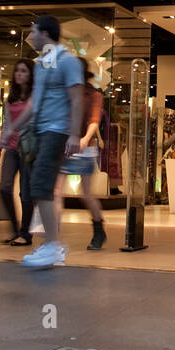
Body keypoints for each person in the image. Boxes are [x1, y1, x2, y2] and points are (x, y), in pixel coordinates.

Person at [12, 16, 83, 269]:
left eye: (33, 31)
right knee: (40, 188)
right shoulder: (40, 64)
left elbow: (76, 99)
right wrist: (14, 127)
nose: (30, 36)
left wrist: (74, 135)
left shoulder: (68, 62)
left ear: (45, 33)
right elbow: (34, 102)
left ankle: (53, 245)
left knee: (40, 186)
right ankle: (53, 244)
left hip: (57, 131)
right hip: (41, 132)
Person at [63, 58, 107, 251]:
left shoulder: (93, 94)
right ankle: (50, 238)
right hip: (63, 145)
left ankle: (99, 229)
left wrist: (85, 138)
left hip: (84, 147)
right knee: (55, 191)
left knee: (86, 193)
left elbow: (94, 119)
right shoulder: (65, 91)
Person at [0, 58, 35, 245]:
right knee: (4, 187)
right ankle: (14, 228)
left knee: (25, 192)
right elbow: (6, 124)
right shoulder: (10, 98)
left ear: (30, 75)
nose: (19, 74)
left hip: (28, 149)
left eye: (24, 71)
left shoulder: (34, 97)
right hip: (11, 148)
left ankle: (25, 233)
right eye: (17, 70)